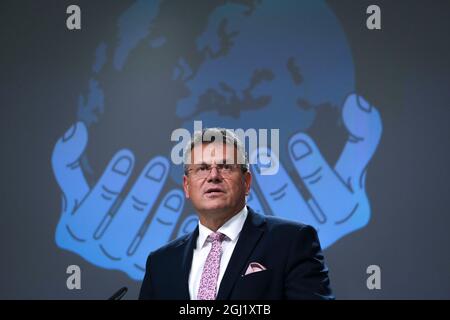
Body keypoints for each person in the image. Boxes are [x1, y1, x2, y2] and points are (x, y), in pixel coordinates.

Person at [139, 128, 334, 300]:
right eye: (202, 168)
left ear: (247, 182)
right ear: (186, 186)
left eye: (225, 167)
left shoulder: (291, 241)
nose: (213, 176)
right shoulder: (160, 263)